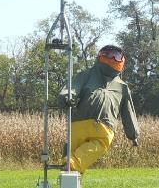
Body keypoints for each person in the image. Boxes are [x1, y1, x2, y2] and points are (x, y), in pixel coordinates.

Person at [59, 45, 139, 173]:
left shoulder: (122, 87)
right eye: (109, 54)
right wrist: (67, 97)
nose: (113, 58)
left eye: (118, 56)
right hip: (80, 123)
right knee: (75, 152)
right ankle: (69, 174)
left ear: (122, 61)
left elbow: (128, 112)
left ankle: (70, 165)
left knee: (88, 150)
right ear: (100, 56)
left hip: (103, 126)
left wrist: (133, 135)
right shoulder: (86, 75)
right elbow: (72, 88)